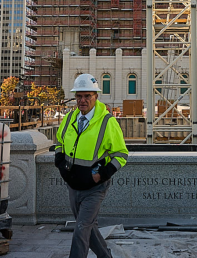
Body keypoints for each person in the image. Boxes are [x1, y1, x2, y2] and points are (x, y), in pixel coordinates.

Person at [54, 74, 128, 258]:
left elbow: (121, 154)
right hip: (73, 185)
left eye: (87, 96)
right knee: (88, 227)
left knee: (81, 229)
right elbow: (59, 143)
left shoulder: (107, 122)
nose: (83, 100)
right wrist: (60, 163)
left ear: (96, 96)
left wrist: (101, 174)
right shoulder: (69, 118)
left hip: (95, 187)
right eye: (79, 96)